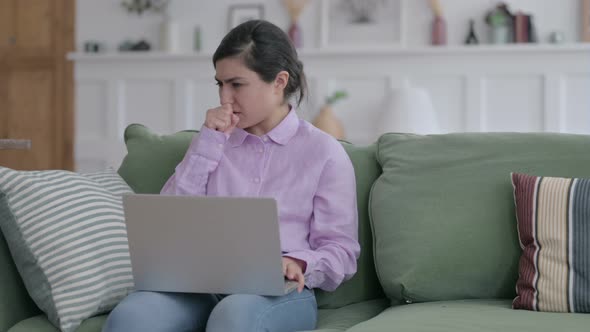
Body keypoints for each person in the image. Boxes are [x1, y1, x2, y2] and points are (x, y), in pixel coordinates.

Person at [103, 20, 360, 332]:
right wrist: (207, 144)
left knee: (234, 317)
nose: (225, 98)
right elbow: (168, 222)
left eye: (236, 84)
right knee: (132, 316)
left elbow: (341, 253)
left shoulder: (324, 153)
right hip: (198, 287)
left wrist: (299, 263)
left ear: (279, 81)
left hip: (275, 293)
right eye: (219, 84)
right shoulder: (212, 142)